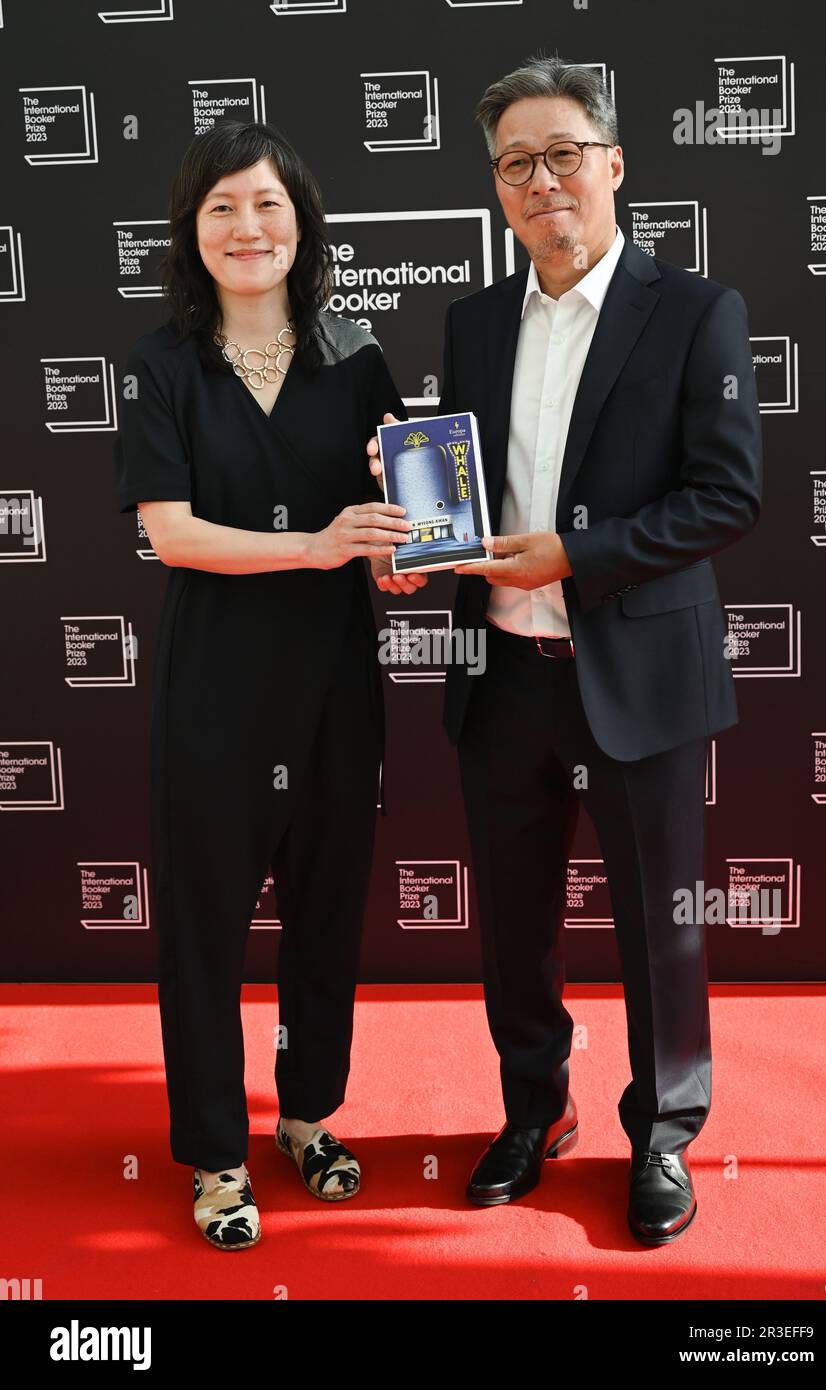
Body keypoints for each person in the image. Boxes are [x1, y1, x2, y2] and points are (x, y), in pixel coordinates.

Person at [368, 57, 762, 1245]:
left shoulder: (695, 310)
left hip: (635, 673)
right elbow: (470, 496)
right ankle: (535, 1110)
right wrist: (418, 533)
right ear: (496, 189)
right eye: (515, 163)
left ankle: (664, 1131)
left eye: (562, 155)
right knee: (516, 925)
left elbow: (728, 497)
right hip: (501, 678)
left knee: (661, 926)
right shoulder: (476, 321)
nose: (543, 182)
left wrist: (576, 558)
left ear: (613, 165)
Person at [114, 120, 410, 1250]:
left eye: (270, 204)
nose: (250, 227)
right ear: (194, 230)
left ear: (304, 222)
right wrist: (318, 546)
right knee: (201, 929)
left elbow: (389, 550)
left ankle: (308, 1117)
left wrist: (399, 548)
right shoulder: (161, 366)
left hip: (337, 685)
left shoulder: (358, 359)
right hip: (215, 693)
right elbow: (173, 534)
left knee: (327, 919)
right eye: (224, 207)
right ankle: (216, 1157)